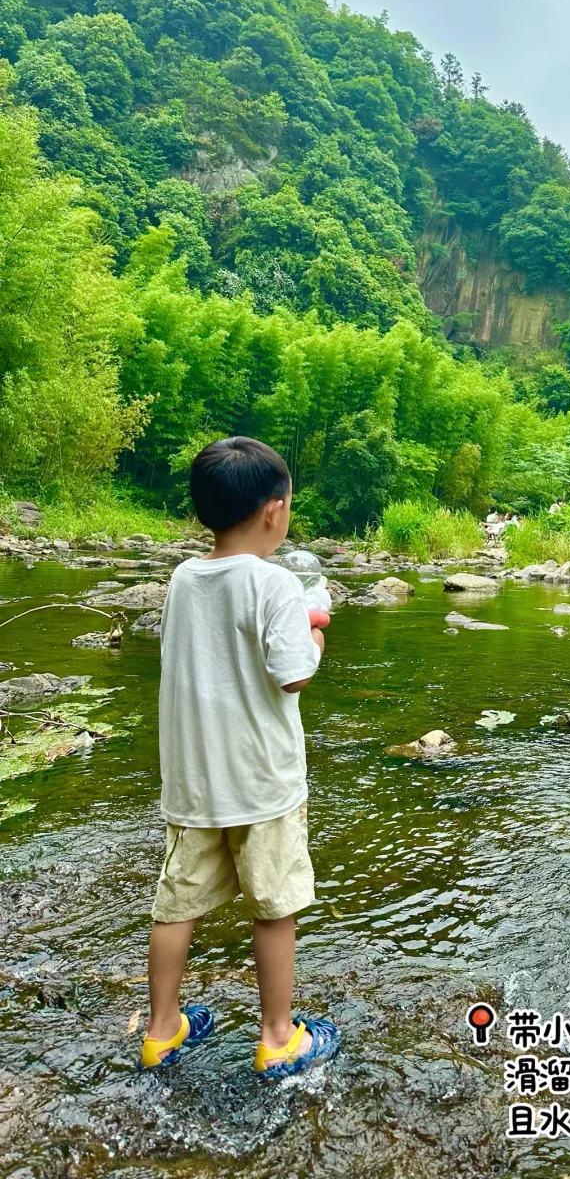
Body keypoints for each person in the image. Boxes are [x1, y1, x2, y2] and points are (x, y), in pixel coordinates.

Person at [140, 436, 340, 1079]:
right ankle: (279, 1036)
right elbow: (292, 676)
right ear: (275, 511)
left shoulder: (183, 577)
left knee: (176, 904)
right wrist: (313, 630)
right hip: (261, 782)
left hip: (194, 781)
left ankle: (162, 1029)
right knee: (274, 907)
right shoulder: (277, 583)